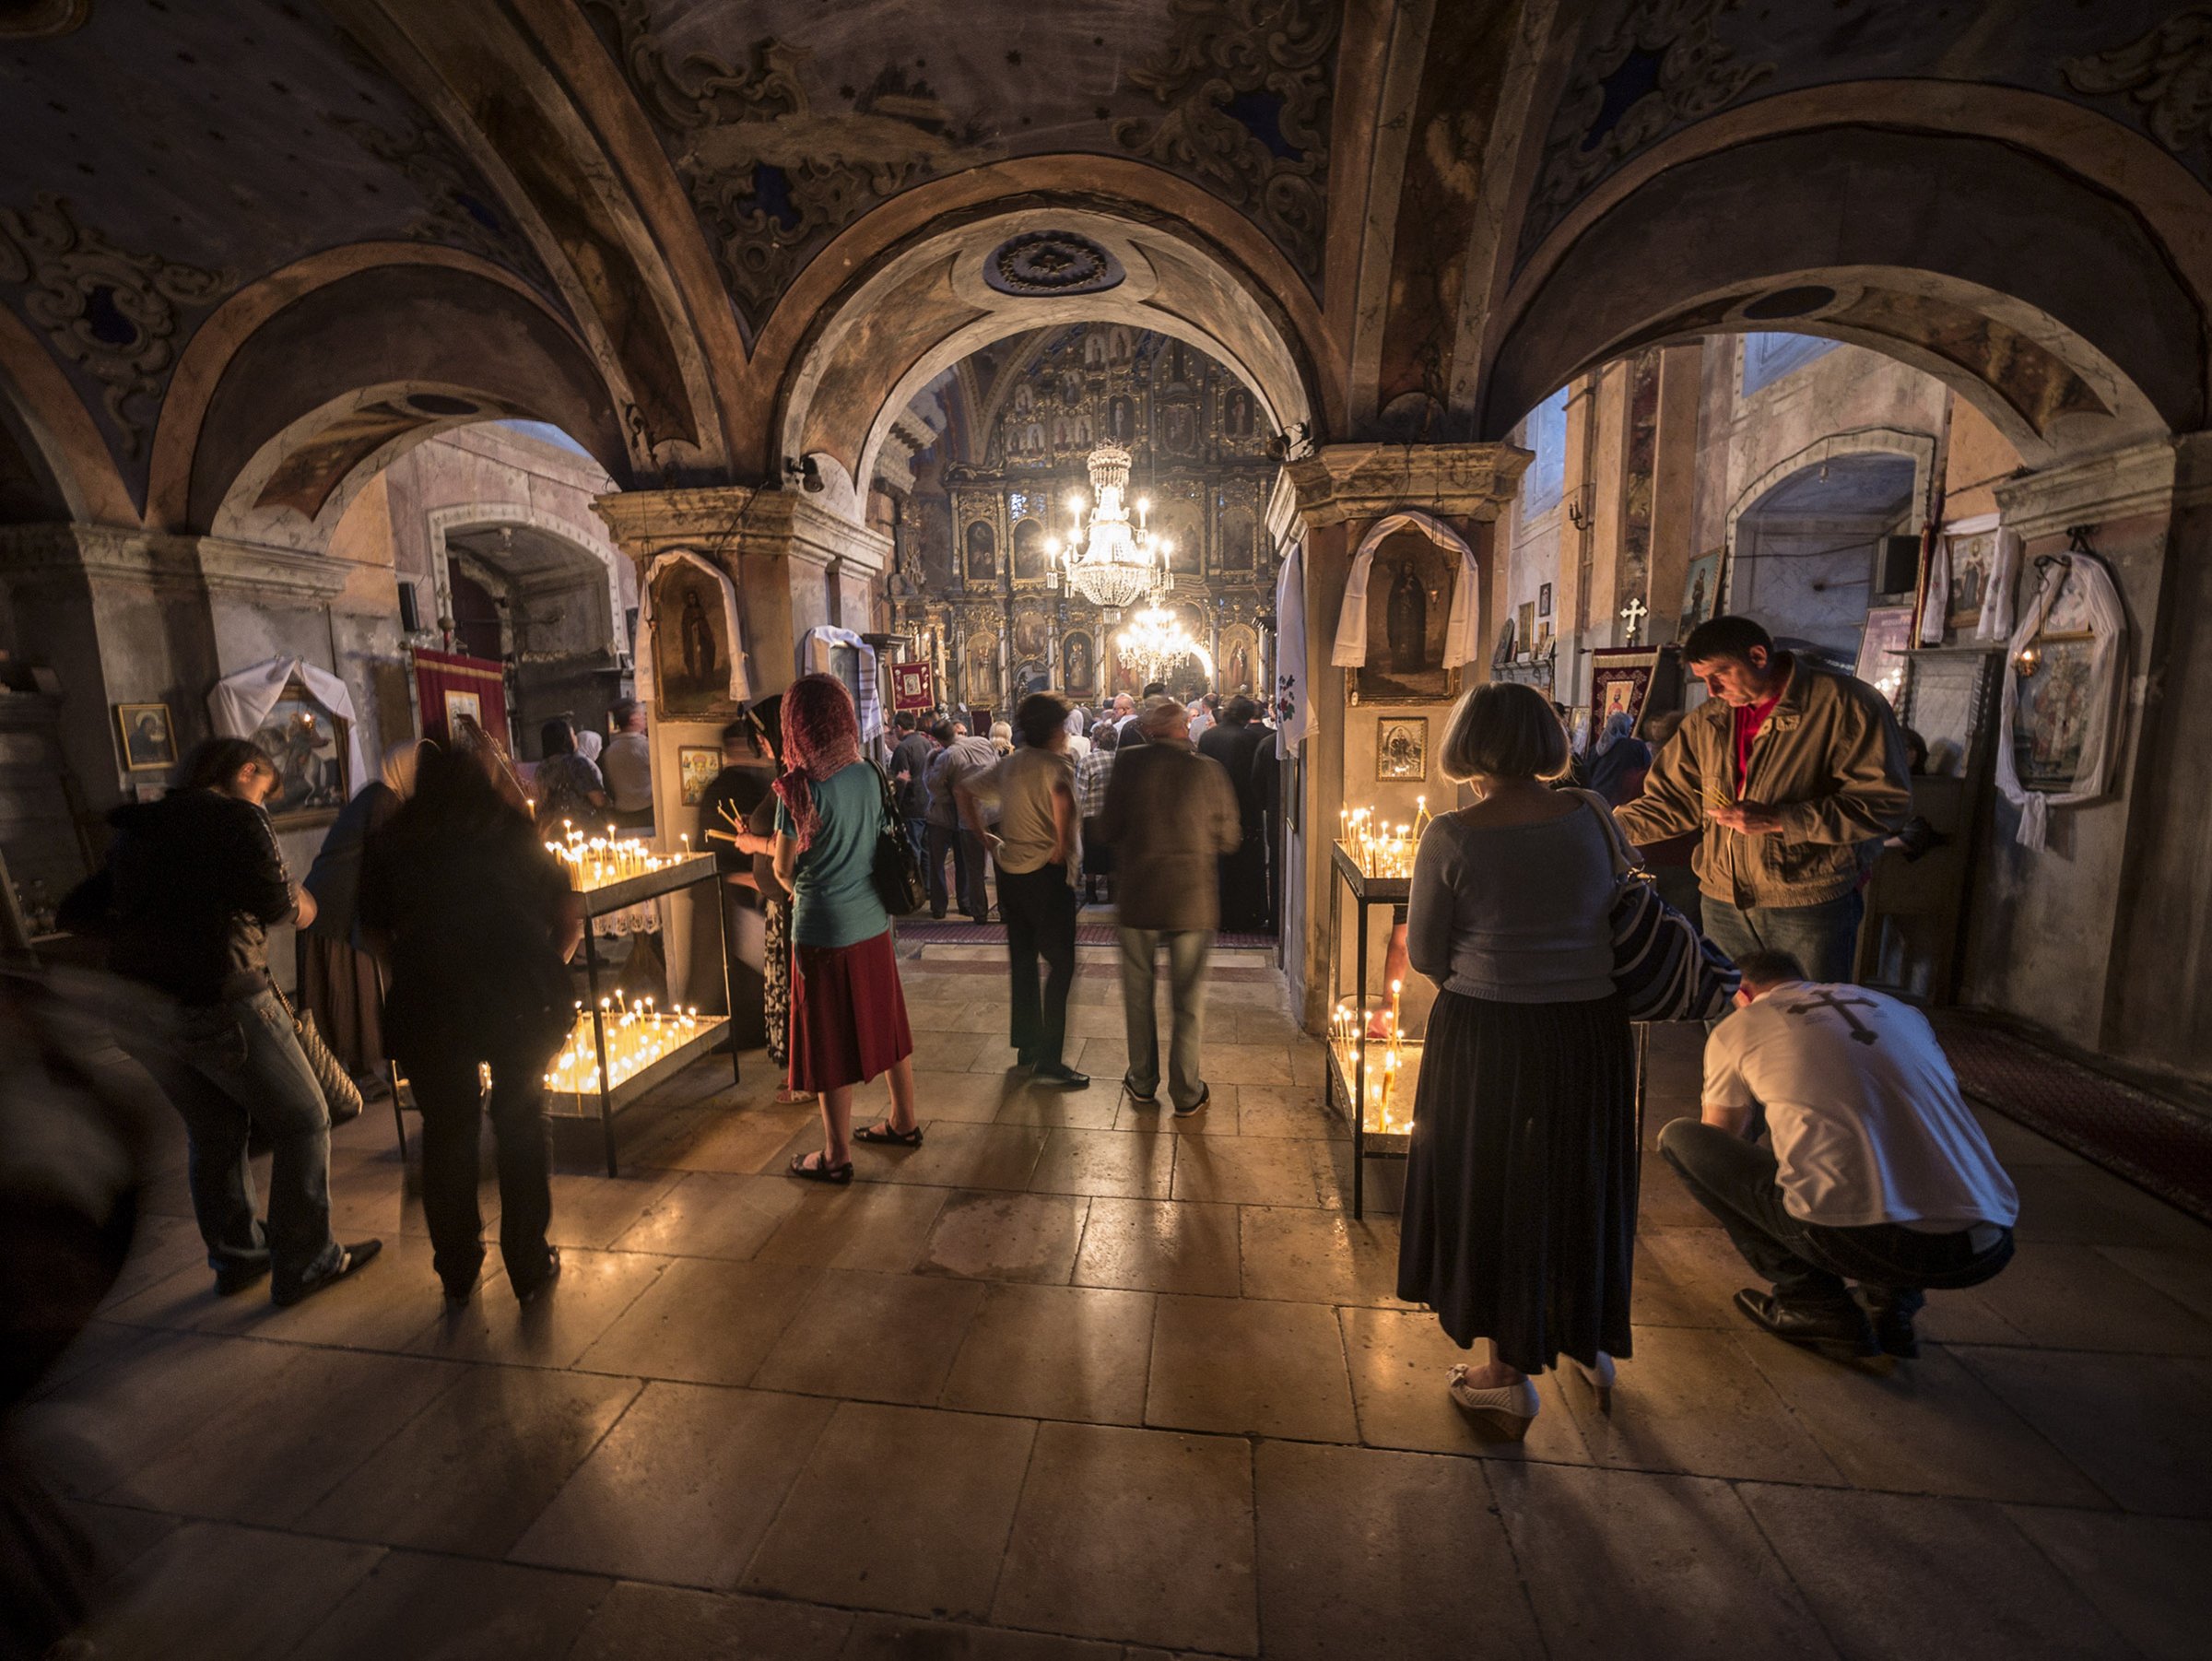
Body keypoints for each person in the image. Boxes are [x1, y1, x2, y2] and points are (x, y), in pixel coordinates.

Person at [1395, 684, 1630, 1439]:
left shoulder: (1454, 834)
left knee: (1496, 1188)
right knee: (1578, 1174)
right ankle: (1586, 1334)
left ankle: (1505, 1376)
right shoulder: (1593, 815)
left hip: (1491, 1034)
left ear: (1468, 746)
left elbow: (1428, 952)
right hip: (1589, 1031)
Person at [84, 738, 378, 1305]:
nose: (264, 805)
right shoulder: (237, 817)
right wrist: (308, 906)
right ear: (246, 772)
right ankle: (306, 1260)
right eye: (265, 790)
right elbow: (277, 905)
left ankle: (240, 1256)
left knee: (215, 1132)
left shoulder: (138, 828)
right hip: (224, 995)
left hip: (146, 1012)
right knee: (304, 1118)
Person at [1658, 949, 2018, 1360]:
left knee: (1682, 1141)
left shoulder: (1740, 1025)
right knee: (1890, 1132)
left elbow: (1719, 1140)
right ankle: (1890, 1305)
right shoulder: (1896, 1009)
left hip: (1861, 1239)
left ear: (1743, 992)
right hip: (1986, 1240)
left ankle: (1812, 1304)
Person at [360, 743, 579, 1303]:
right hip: (517, 997)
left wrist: (408, 968)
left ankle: (457, 1267)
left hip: (432, 1001)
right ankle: (528, 1261)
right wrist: (547, 966)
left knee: (448, 1130)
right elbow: (568, 911)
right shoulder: (511, 830)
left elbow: (373, 929)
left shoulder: (393, 841)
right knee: (521, 1120)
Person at [1612, 615, 1910, 985]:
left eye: (1719, 675)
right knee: (1728, 1019)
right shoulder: (1707, 722)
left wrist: (1783, 820)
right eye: (1703, 680)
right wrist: (1603, 826)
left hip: (1805, 899)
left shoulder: (1845, 705)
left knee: (1807, 1021)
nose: (1712, 691)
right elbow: (1672, 802)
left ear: (1757, 656)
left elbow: (1885, 804)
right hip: (1722, 901)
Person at [773, 674, 923, 1179]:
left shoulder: (798, 788)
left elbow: (782, 869)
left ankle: (836, 1155)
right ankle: (904, 1119)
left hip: (822, 931)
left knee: (829, 1038)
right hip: (873, 922)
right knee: (887, 1019)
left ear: (796, 723)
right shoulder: (871, 773)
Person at [1097, 694, 1240, 1113]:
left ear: (1147, 729)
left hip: (1139, 896)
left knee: (1138, 996)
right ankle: (1186, 1092)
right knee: (1188, 1001)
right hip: (1192, 900)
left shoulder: (1128, 765)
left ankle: (1142, 1081)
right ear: (1184, 727)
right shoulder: (1209, 772)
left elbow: (1107, 827)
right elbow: (1229, 839)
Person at [959, 691, 1088, 1088]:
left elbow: (965, 789)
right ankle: (1050, 1059)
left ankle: (1028, 1047)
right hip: (1046, 877)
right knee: (1062, 964)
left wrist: (982, 835)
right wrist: (1060, 847)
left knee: (1024, 959)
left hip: (1011, 874)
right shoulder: (1056, 765)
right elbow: (1062, 802)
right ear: (1054, 729)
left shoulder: (1011, 763)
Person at [297, 739, 423, 1085]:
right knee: (353, 990)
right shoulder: (384, 800)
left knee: (356, 989)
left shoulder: (381, 795)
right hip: (336, 906)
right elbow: (384, 863)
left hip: (337, 903)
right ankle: (363, 1073)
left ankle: (360, 1070)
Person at [698, 716, 772, 1052]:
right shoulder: (737, 786)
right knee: (736, 968)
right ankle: (743, 1032)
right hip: (734, 887)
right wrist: (750, 876)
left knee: (734, 967)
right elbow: (716, 844)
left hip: (732, 886)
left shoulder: (724, 785)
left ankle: (742, 1031)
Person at [1197, 695, 1270, 932]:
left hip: (1209, 807)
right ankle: (1244, 916)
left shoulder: (1208, 737)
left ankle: (1216, 915)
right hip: (1244, 809)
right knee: (1244, 865)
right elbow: (1255, 777)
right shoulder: (1249, 738)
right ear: (1246, 715)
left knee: (1216, 864)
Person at [927, 718, 998, 922]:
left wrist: (930, 763)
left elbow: (935, 790)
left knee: (974, 868)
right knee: (1003, 864)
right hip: (999, 808)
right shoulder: (982, 742)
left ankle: (979, 912)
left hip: (972, 815)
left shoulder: (947, 756)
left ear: (938, 740)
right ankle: (1007, 910)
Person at [532, 717, 608, 831]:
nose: (576, 738)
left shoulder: (541, 769)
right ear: (566, 739)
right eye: (573, 734)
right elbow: (598, 799)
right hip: (583, 827)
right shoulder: (578, 764)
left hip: (553, 828)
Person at [1077, 721, 1119, 905]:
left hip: (1091, 816)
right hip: (1114, 815)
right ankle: (1112, 893)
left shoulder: (1087, 761)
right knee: (1112, 855)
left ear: (1095, 740)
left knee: (1091, 856)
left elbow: (1080, 792)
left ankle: (1091, 893)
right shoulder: (1120, 759)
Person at [889, 710, 936, 866]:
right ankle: (929, 888)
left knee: (913, 850)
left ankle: (916, 888)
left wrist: (895, 805)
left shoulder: (903, 748)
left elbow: (901, 781)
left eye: (894, 729)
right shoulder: (926, 742)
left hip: (912, 806)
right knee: (927, 852)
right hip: (928, 804)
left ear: (899, 727)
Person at [602, 696, 655, 830]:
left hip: (621, 814)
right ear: (633, 719)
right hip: (647, 812)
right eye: (642, 714)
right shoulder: (645, 747)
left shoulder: (610, 751)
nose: (644, 718)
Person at [1584, 710, 1652, 807]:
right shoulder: (1636, 746)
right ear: (1625, 728)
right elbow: (1647, 768)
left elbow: (1587, 773)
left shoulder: (1595, 749)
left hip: (1598, 800)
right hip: (1624, 800)